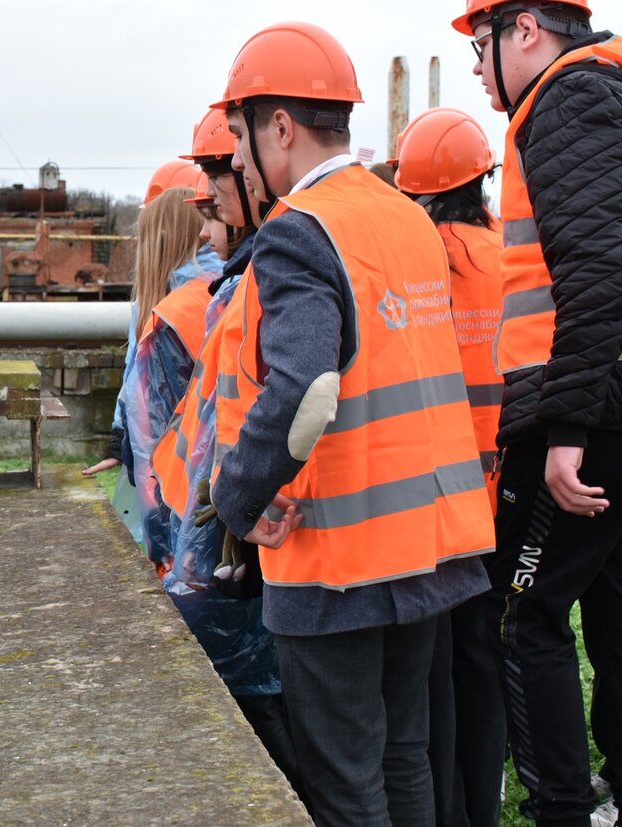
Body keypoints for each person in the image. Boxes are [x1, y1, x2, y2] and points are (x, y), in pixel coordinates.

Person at [210, 22, 495, 825]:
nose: (234, 158)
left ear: (280, 128)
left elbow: (306, 387)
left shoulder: (299, 233)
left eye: (238, 135)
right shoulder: (405, 217)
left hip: (335, 557)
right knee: (405, 759)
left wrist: (235, 501)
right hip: (424, 544)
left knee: (344, 781)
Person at [452, 1, 622, 823]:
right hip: (601, 401)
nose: (479, 69)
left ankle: (561, 807)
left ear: (526, 31)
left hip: (581, 410)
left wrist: (565, 432)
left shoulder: (564, 100)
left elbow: (593, 271)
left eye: (482, 48)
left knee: (520, 616)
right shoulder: (598, 92)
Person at [145, 110, 304, 798]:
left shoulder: (201, 302)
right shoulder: (243, 285)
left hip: (224, 553)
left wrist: (193, 553)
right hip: (264, 553)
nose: (209, 226)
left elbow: (176, 446)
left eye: (215, 201)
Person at [396, 105, 507, 827]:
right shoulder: (511, 253)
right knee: (486, 658)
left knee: (432, 669)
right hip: (510, 488)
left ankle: (449, 812)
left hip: (436, 498)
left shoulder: (416, 258)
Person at [83, 159, 214, 481]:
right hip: (187, 462)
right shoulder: (217, 287)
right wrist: (120, 443)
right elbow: (137, 378)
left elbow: (139, 382)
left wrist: (123, 443)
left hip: (174, 464)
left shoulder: (181, 302)